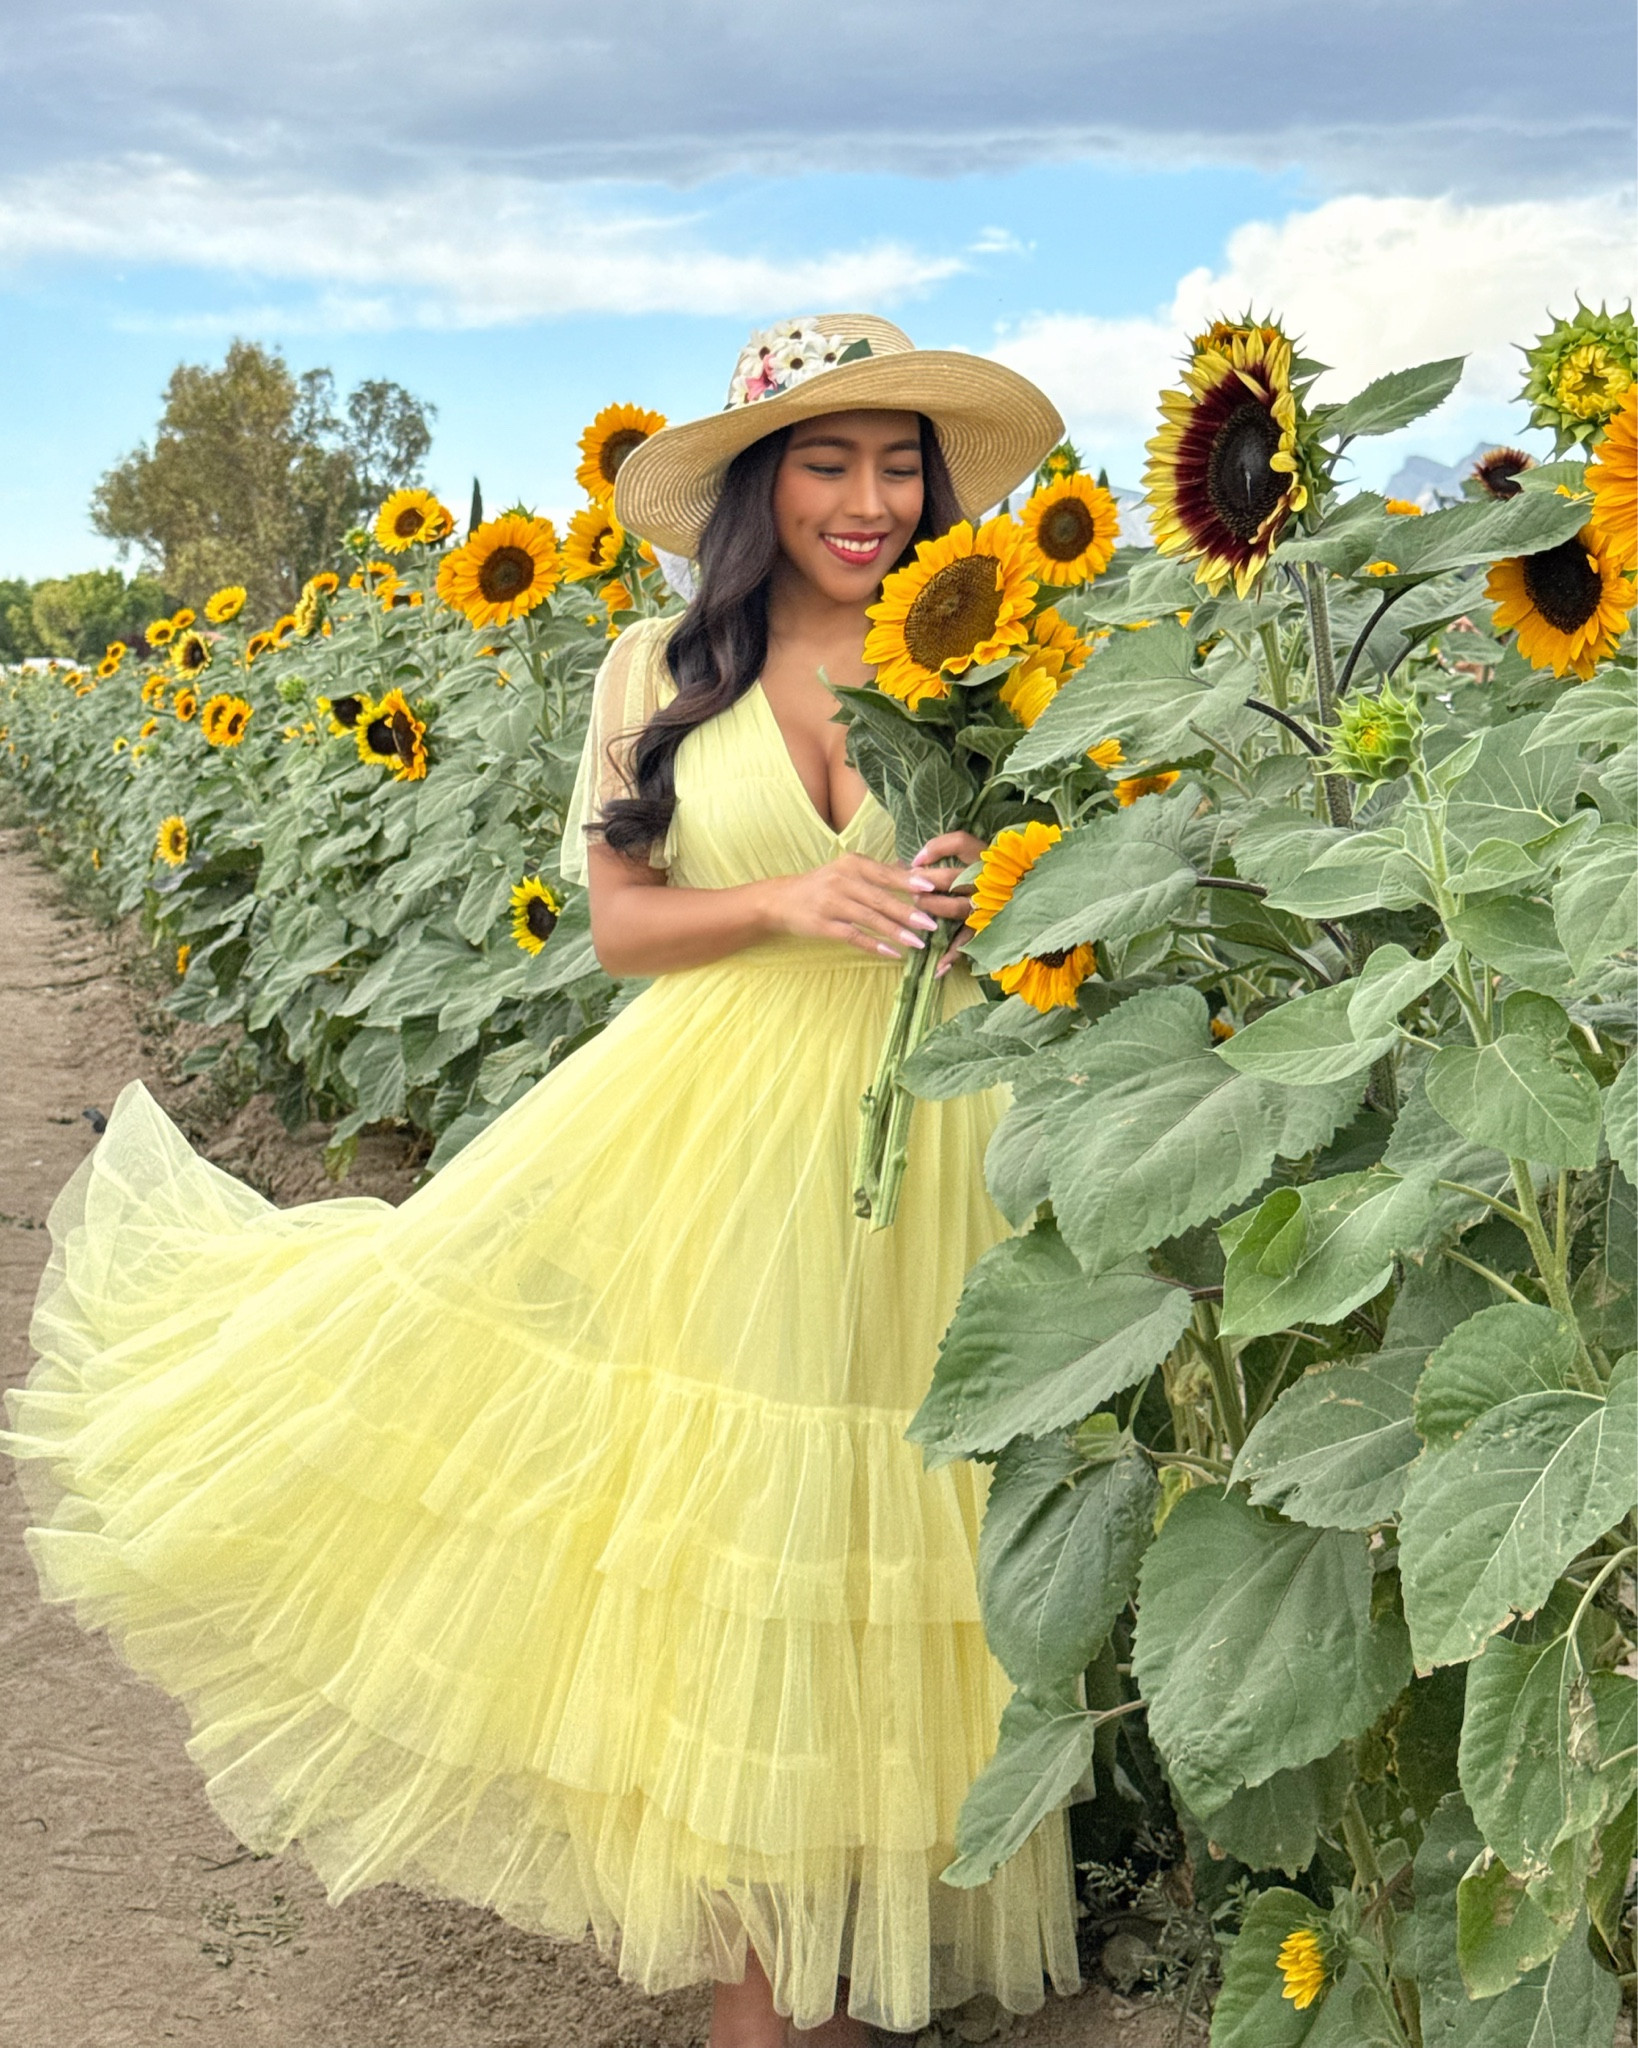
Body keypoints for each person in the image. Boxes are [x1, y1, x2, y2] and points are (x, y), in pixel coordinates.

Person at [1, 314, 1077, 2046]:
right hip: (710, 1133)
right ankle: (758, 1992)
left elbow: (1063, 888)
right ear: (758, 483)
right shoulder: (658, 665)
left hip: (932, 1128)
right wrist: (795, 905)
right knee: (730, 1535)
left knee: (890, 1525)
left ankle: (839, 1947)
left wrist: (998, 902)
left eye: (899, 465)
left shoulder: (990, 655)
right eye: (827, 461)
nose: (868, 501)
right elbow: (622, 929)